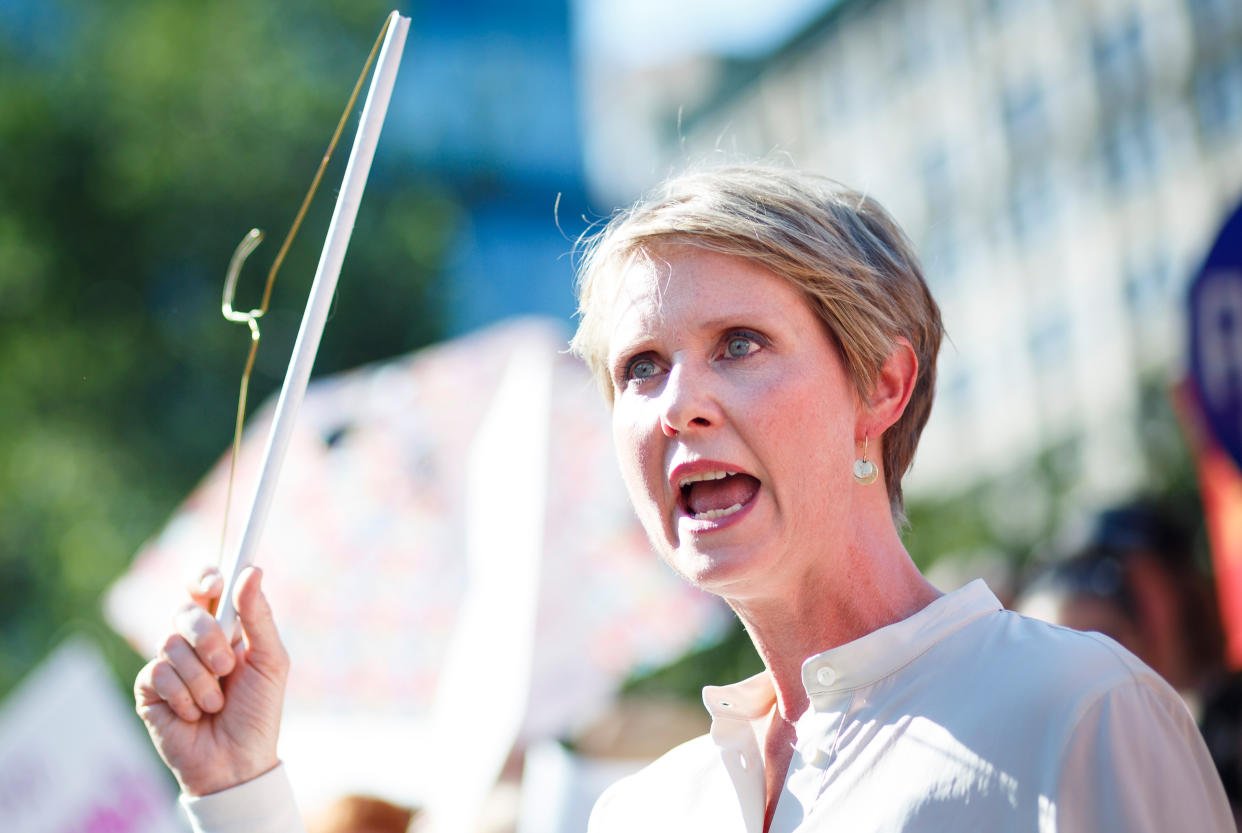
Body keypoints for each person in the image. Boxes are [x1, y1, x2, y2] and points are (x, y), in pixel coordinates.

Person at [135, 164, 1233, 832]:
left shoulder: (1076, 709)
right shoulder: (645, 810)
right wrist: (240, 786)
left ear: (881, 384)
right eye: (639, 368)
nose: (678, 405)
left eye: (739, 344)